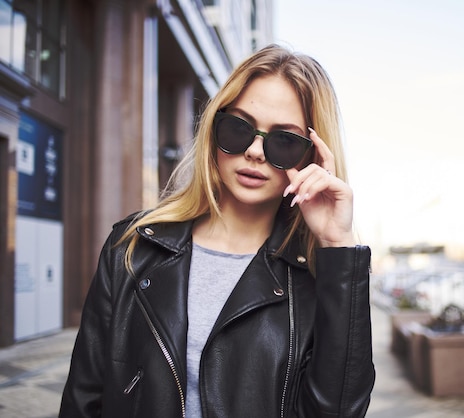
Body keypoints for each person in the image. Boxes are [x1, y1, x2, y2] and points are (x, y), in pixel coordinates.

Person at [59, 44, 375, 418]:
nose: (255, 152)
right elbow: (85, 399)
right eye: (239, 128)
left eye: (284, 141)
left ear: (311, 157)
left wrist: (336, 244)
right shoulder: (132, 248)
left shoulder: (320, 277)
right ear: (214, 127)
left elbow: (336, 412)